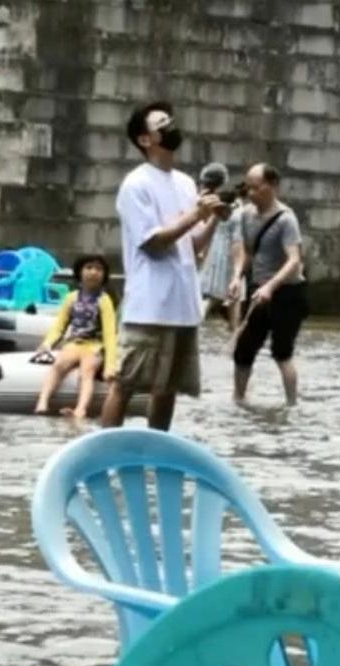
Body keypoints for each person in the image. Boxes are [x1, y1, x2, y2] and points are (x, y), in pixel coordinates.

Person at [100, 101, 225, 430]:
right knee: (125, 384)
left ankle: (154, 452)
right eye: (162, 124)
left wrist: (212, 219)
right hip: (149, 304)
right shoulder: (136, 184)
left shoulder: (185, 183)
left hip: (183, 305)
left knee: (168, 388)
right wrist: (195, 215)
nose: (171, 126)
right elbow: (153, 242)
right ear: (145, 140)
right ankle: (106, 453)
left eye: (171, 120)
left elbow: (193, 243)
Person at [230, 163, 308, 406]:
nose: (251, 193)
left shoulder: (286, 219)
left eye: (256, 188)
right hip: (257, 289)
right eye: (248, 188)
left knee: (282, 352)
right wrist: (236, 277)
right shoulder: (246, 215)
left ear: (273, 186)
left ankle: (291, 405)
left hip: (287, 292)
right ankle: (239, 399)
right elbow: (246, 252)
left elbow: (294, 260)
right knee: (243, 350)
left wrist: (271, 286)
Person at [34, 254, 117, 419]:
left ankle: (81, 409)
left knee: (86, 372)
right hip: (74, 343)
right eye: (89, 268)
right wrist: (47, 343)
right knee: (58, 365)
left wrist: (110, 366)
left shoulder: (104, 300)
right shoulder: (71, 298)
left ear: (104, 275)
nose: (93, 272)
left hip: (94, 345)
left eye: (98, 269)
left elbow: (109, 333)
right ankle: (42, 402)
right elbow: (59, 326)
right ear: (80, 272)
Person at [200, 174, 248, 330]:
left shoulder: (216, 208)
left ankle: (193, 329)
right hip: (228, 257)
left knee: (207, 299)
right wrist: (237, 274)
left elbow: (207, 233)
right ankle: (234, 341)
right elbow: (238, 243)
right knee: (233, 305)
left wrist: (203, 255)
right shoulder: (239, 212)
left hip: (214, 255)